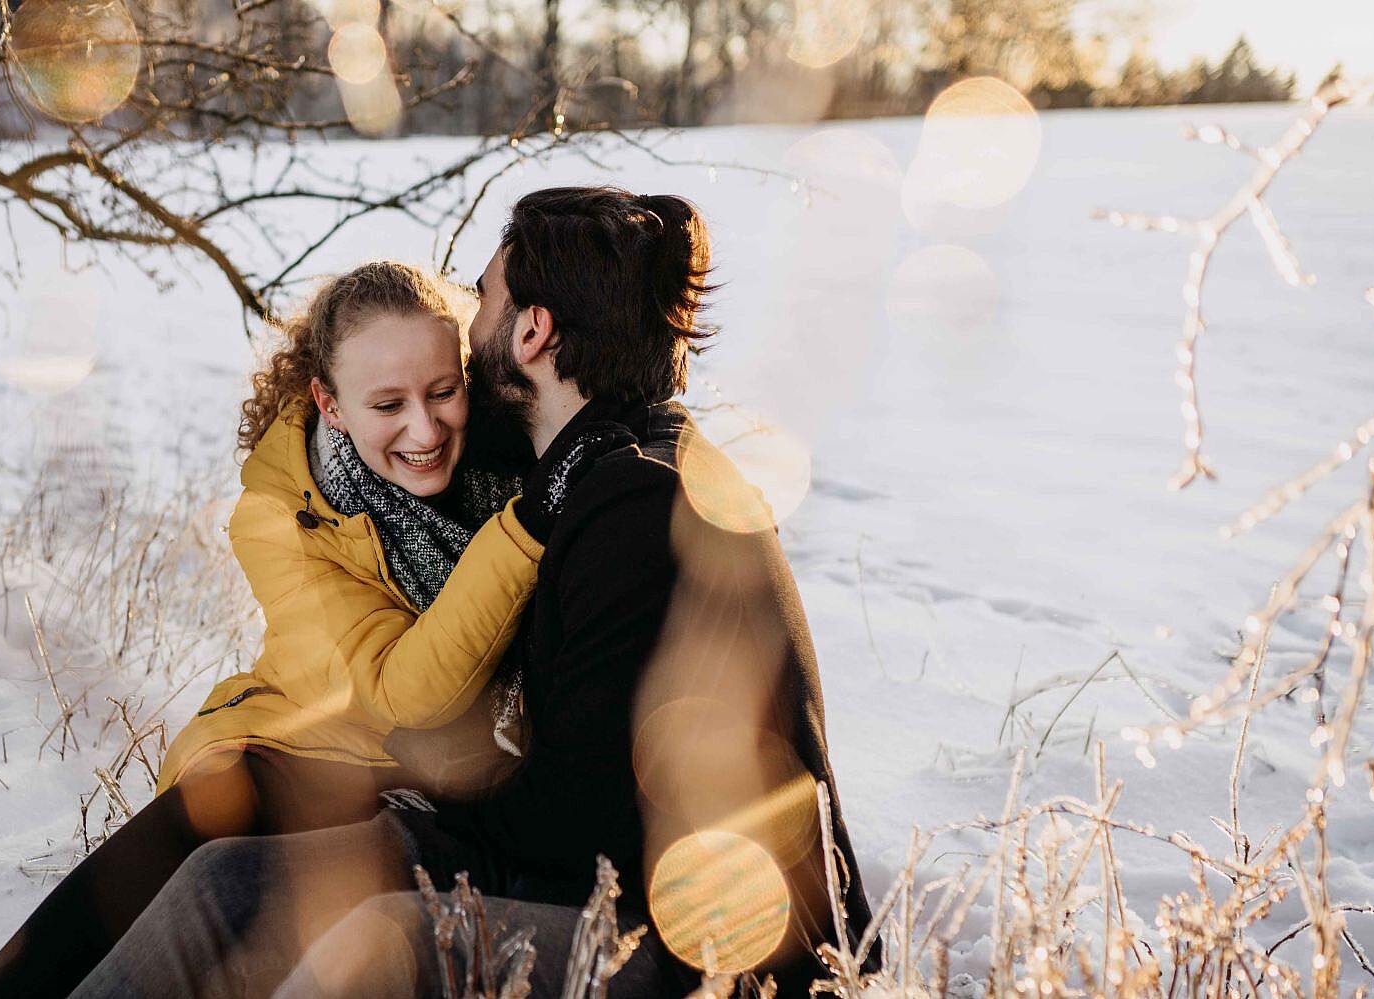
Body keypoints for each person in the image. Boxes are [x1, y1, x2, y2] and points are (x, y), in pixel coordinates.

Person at [60, 187, 879, 999]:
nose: (471, 317)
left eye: (484, 294)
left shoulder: (635, 503)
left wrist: (412, 820)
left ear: (532, 330)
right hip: (619, 892)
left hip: (710, 954)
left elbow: (578, 827)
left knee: (376, 941)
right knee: (224, 876)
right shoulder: (591, 468)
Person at [0, 261, 549, 999]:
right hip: (314, 750)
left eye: (442, 391)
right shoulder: (282, 512)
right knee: (184, 843)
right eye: (387, 403)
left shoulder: (513, 464)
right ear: (329, 404)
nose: (425, 429)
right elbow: (405, 691)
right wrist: (524, 533)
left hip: (431, 789)